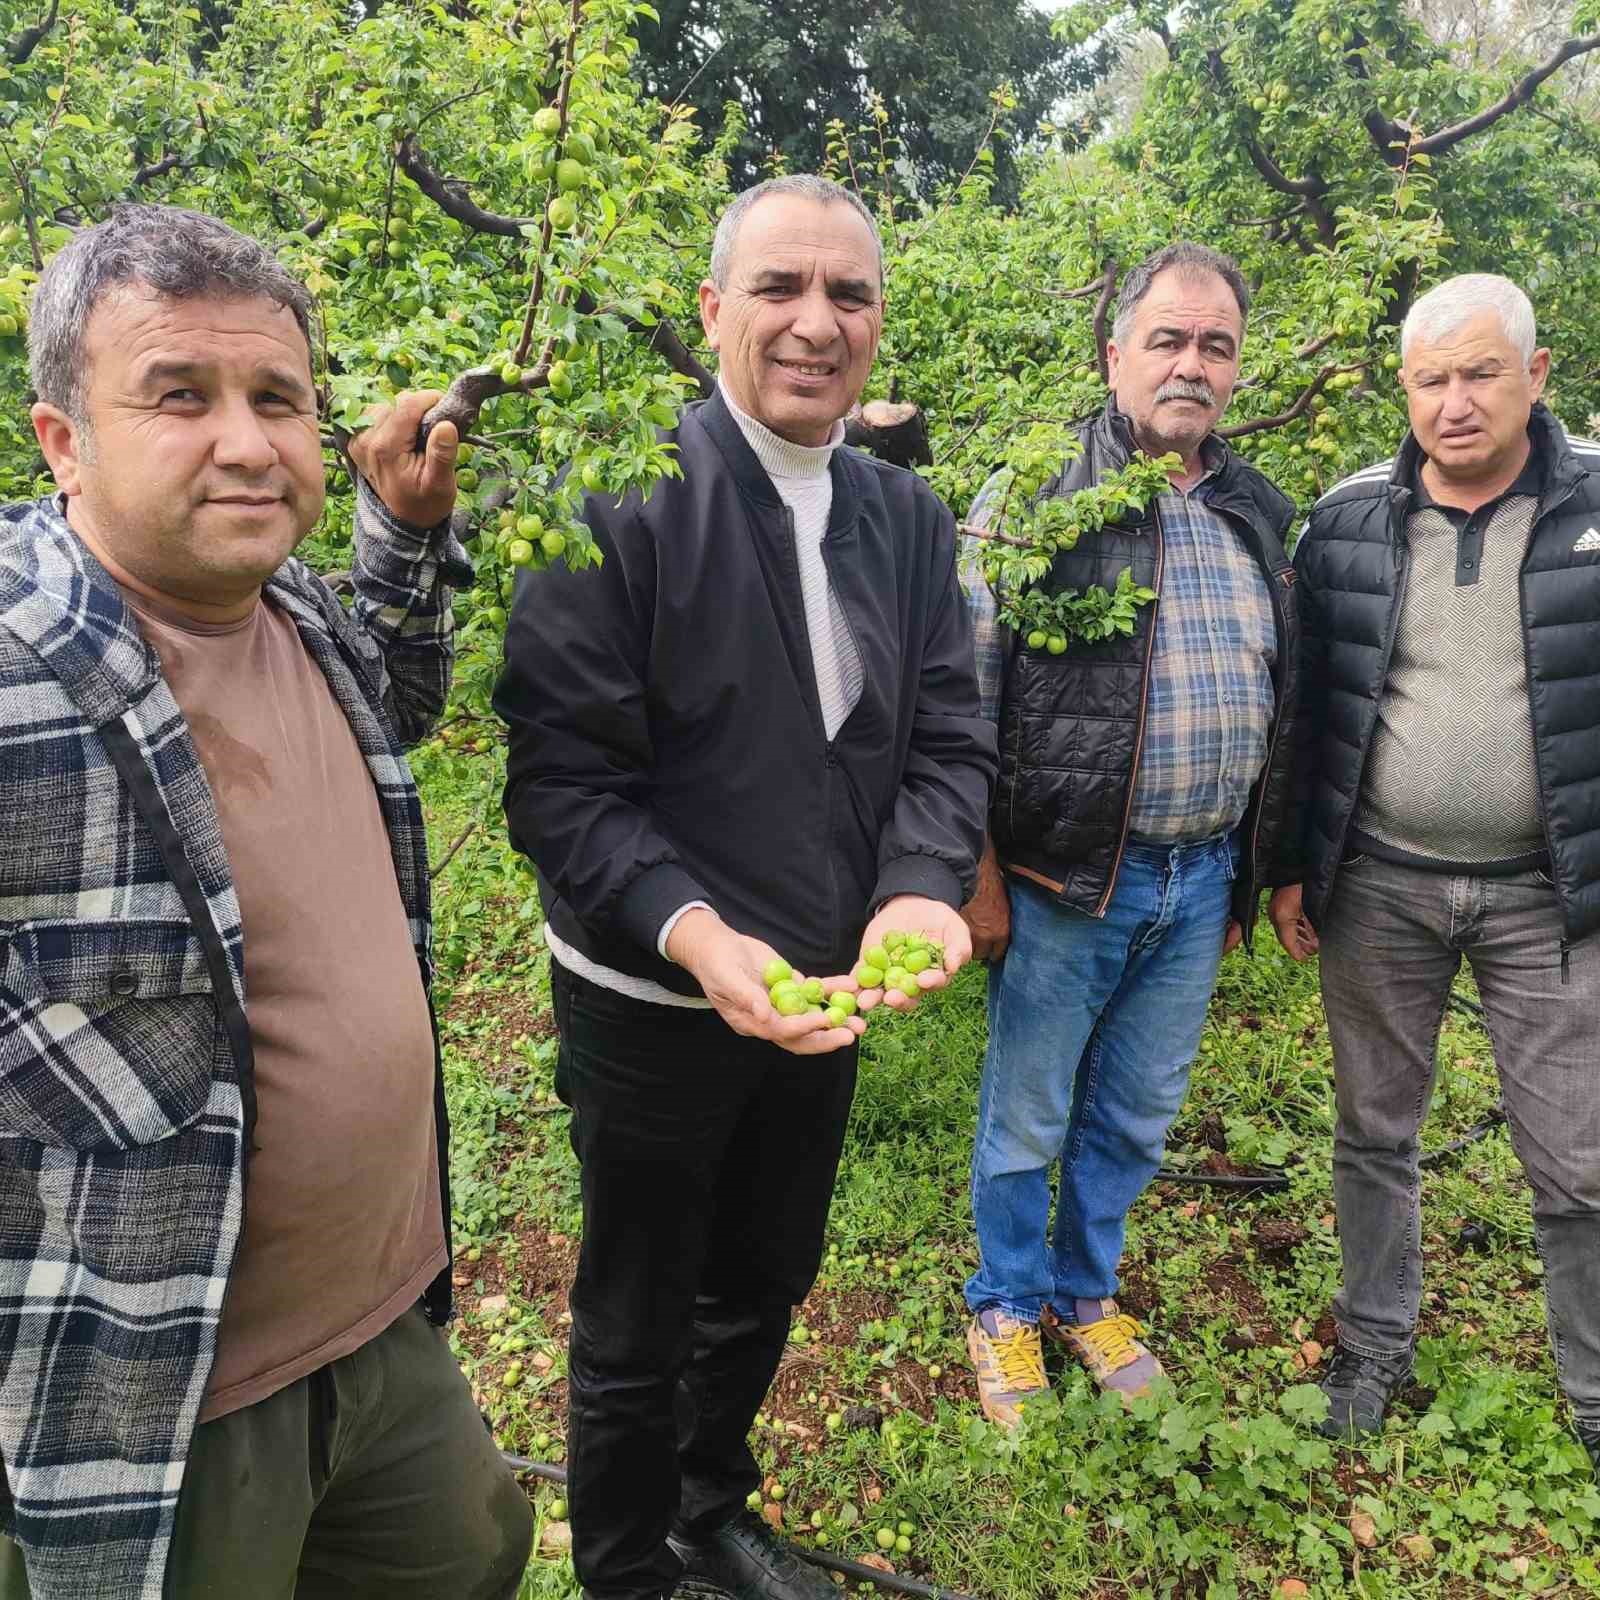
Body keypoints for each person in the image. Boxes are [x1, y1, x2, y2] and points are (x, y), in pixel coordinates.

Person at [0, 205, 533, 1600]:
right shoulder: (17, 669)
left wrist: (405, 532)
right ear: (64, 440)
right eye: (180, 395)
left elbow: (399, 704)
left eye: (277, 398)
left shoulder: (293, 613)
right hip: (169, 1401)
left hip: (382, 1328)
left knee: (469, 1556)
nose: (246, 441)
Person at [493, 174, 997, 1600]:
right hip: (657, 991)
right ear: (714, 309)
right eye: (779, 287)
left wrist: (916, 885)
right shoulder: (619, 499)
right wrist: (699, 935)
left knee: (766, 1273)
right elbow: (565, 787)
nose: (815, 322)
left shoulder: (905, 518)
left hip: (822, 988)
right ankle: (626, 1572)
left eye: (849, 293)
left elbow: (949, 735)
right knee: (637, 1309)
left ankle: (708, 1507)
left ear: (880, 321)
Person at [957, 242, 1303, 1427]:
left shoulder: (1256, 509)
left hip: (1200, 877)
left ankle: (1081, 1291)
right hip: (1064, 880)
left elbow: (1284, 690)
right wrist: (978, 876)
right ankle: (1002, 1303)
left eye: (1214, 345)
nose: (1190, 364)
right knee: (1030, 1109)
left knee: (1136, 1110)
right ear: (1114, 354)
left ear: (1237, 367)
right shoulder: (1037, 490)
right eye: (1166, 339)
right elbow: (961, 701)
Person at [1269, 273, 1600, 1475]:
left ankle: (1592, 1381)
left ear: (1535, 375)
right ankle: (1374, 1343)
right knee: (1372, 1129)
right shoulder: (1347, 522)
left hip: (1549, 895)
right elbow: (1309, 708)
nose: (1453, 403)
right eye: (1429, 379)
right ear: (1402, 388)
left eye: (1479, 374)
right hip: (1380, 887)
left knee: (1578, 1151)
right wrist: (1292, 865)